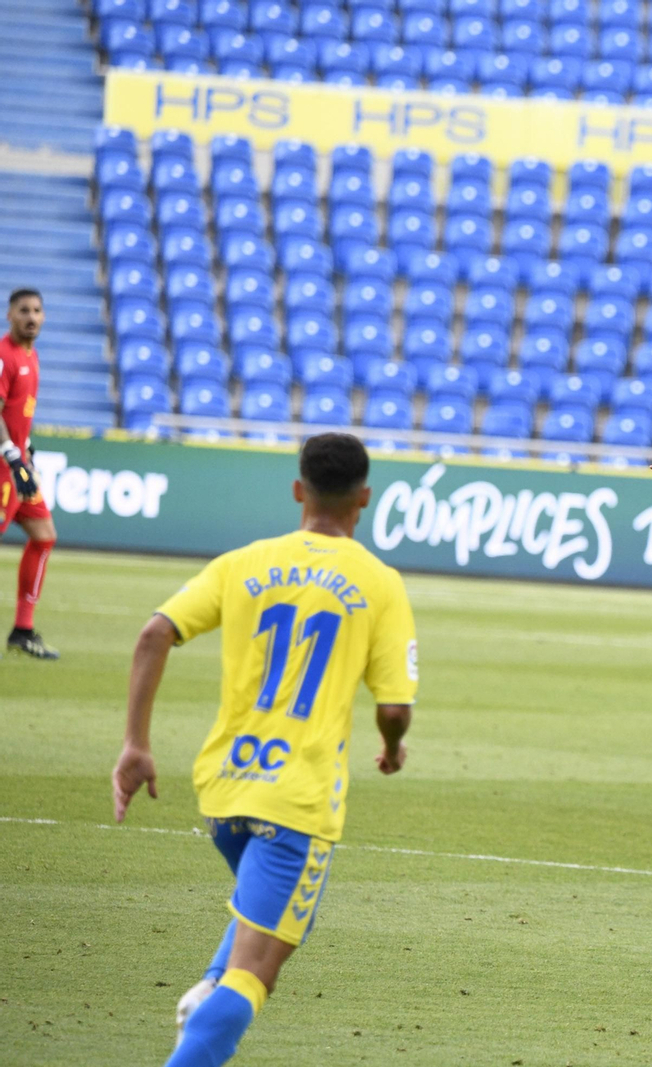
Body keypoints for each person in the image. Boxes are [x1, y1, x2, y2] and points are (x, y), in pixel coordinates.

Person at [110, 433, 419, 1067]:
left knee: (266, 920)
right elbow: (393, 708)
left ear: (299, 489)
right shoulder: (379, 582)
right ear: (365, 497)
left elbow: (154, 634)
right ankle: (211, 1016)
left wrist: (136, 743)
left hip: (225, 791)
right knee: (256, 975)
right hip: (298, 801)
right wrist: (393, 749)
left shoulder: (244, 563)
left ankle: (208, 990)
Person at [1, 288, 59, 659]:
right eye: (24, 310)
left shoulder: (31, 355)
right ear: (9, 315)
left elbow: (18, 413)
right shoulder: (4, 356)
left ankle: (23, 631)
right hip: (5, 468)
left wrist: (27, 451)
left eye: (37, 310)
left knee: (44, 536)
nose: (31, 317)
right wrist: (12, 456)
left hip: (18, 468)